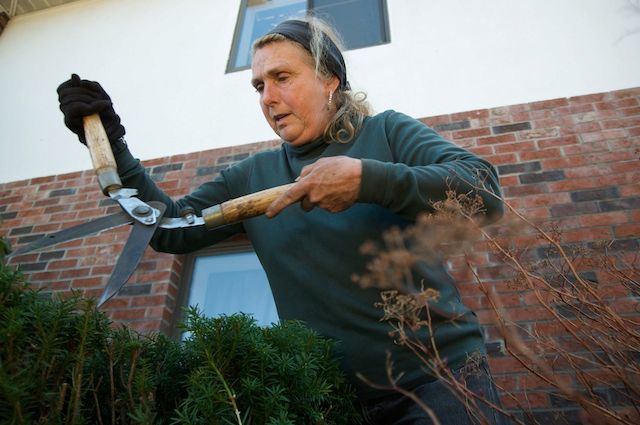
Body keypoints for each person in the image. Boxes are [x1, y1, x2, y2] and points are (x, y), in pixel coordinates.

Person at [57, 17, 508, 425]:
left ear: (330, 79)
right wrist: (111, 144)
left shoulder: (386, 134)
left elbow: (483, 192)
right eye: (259, 86)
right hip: (329, 401)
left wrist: (368, 180)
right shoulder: (253, 176)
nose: (268, 98)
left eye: (282, 78)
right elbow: (169, 228)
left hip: (439, 384)